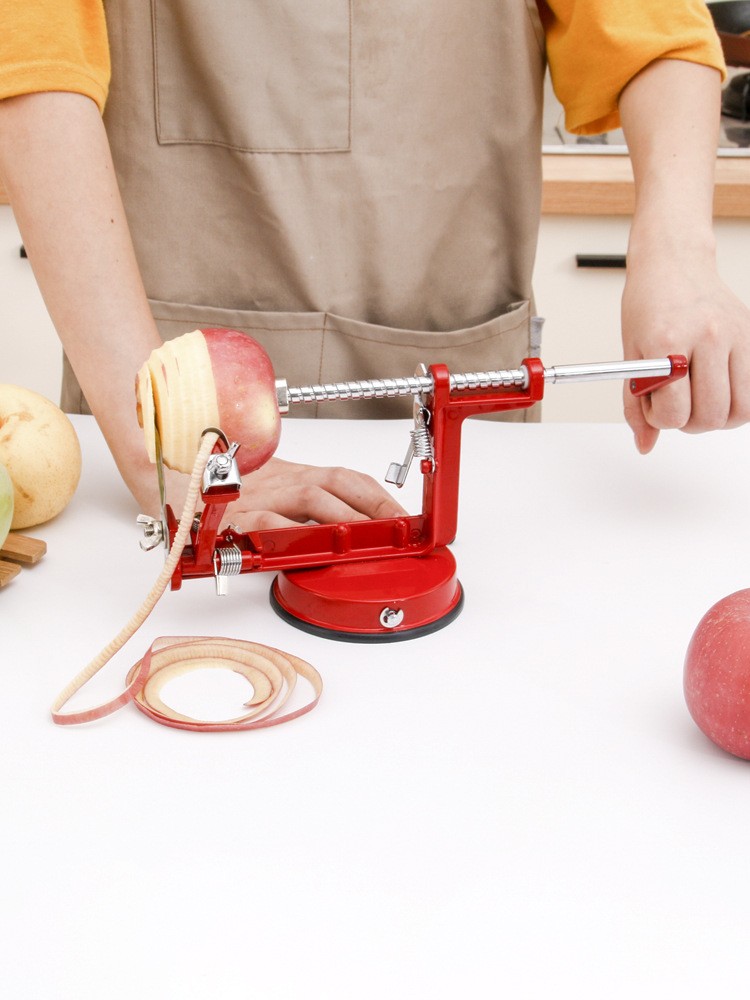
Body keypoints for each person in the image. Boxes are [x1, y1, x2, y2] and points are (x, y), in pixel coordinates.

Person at [1, 1, 748, 532]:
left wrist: (679, 253)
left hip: (465, 419)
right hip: (160, 418)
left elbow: (651, 31)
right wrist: (154, 449)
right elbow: (32, 64)